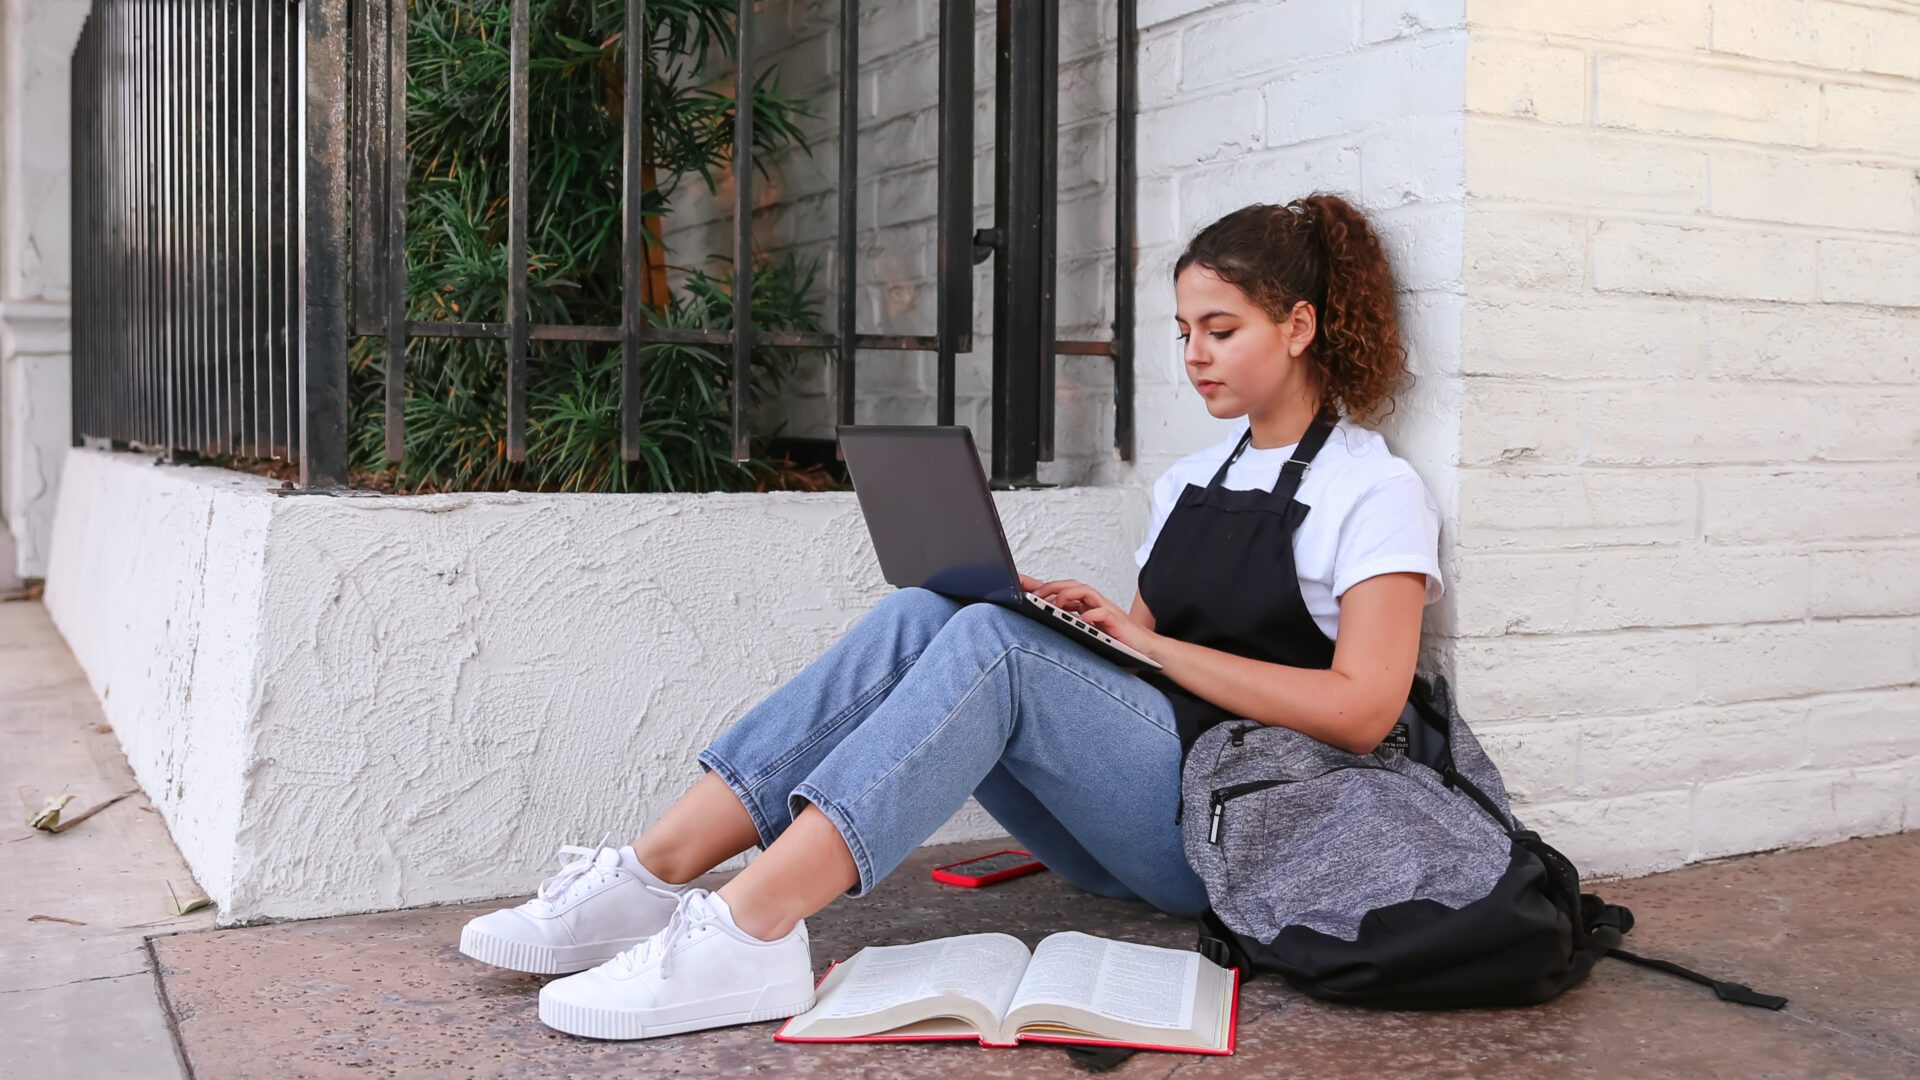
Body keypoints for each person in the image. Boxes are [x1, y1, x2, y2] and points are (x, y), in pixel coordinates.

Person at [456, 192, 1445, 1041]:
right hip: (1129, 815)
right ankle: (651, 874)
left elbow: (1363, 712)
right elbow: (1149, 677)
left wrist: (1141, 643)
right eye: (1183, 331)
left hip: (1235, 834)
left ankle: (749, 933)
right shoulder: (1192, 481)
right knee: (934, 607)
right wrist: (1089, 634)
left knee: (989, 645)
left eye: (1219, 330)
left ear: (1301, 327)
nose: (1194, 355)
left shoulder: (1373, 491)